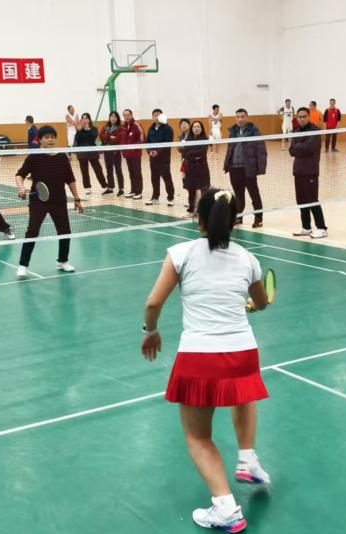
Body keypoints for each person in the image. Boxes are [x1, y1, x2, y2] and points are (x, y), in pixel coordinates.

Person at [140, 188, 271, 533]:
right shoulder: (249, 259)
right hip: (243, 353)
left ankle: (226, 508)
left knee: (199, 437)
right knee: (243, 396)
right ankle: (248, 458)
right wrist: (251, 305)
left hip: (199, 357)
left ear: (198, 218)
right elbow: (260, 303)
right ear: (234, 221)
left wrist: (151, 332)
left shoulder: (180, 253)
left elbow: (153, 304)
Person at [14, 125, 85, 277]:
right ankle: (23, 265)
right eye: (46, 137)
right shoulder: (34, 157)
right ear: (40, 140)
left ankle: (63, 261)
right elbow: (19, 175)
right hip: (38, 200)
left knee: (65, 232)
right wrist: (21, 187)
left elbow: (70, 179)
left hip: (59, 200)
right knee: (32, 231)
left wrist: (77, 198)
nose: (50, 140)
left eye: (52, 137)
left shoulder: (62, 157)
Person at [223, 109, 267, 228]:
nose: (240, 119)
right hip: (234, 168)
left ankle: (258, 218)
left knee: (254, 194)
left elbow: (261, 150)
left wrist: (260, 168)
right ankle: (238, 217)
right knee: (238, 195)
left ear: (247, 117)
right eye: (237, 117)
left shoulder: (254, 132)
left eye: (242, 117)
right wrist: (227, 164)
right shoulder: (233, 131)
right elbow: (230, 149)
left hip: (248, 169)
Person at [289, 107, 328, 239]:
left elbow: (309, 148)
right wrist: (300, 147)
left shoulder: (314, 131)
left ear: (309, 117)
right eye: (299, 117)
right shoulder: (296, 131)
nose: (302, 119)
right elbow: (291, 150)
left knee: (312, 200)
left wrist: (298, 147)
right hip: (298, 171)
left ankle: (322, 228)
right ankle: (306, 227)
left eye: (304, 116)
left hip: (310, 171)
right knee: (301, 200)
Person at [146, 109, 175, 206]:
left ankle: (170, 197)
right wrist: (150, 151)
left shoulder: (168, 128)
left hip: (164, 159)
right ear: (152, 117)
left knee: (167, 178)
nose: (157, 117)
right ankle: (155, 197)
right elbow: (147, 142)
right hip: (153, 158)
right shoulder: (151, 128)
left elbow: (168, 143)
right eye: (155, 115)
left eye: (158, 115)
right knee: (154, 178)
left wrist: (158, 152)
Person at [74, 113, 107, 194]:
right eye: (83, 118)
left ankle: (104, 186)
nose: (85, 120)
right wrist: (79, 130)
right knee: (84, 171)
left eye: (86, 118)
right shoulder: (79, 130)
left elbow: (93, 137)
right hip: (82, 154)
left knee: (98, 169)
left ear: (89, 119)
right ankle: (87, 187)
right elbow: (77, 140)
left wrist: (87, 129)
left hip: (92, 153)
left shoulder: (94, 129)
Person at [182, 121, 211, 214]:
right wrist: (193, 155)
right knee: (191, 189)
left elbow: (202, 153)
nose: (196, 128)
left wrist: (190, 153)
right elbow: (184, 153)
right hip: (190, 168)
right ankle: (191, 209)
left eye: (198, 127)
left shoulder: (205, 140)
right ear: (192, 129)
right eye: (194, 127)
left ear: (201, 129)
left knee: (204, 189)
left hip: (202, 168)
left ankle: (203, 210)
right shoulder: (188, 140)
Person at [99, 111, 125, 196]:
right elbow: (101, 136)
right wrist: (110, 137)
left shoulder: (120, 128)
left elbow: (119, 139)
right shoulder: (105, 127)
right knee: (109, 170)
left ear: (117, 118)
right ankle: (110, 187)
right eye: (111, 116)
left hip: (115, 152)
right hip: (107, 152)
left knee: (118, 170)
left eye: (114, 116)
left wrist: (107, 138)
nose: (113, 118)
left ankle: (121, 188)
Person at [121, 109, 145, 199]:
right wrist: (124, 151)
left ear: (131, 115)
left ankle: (139, 192)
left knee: (137, 172)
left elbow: (142, 139)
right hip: (127, 155)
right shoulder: (123, 127)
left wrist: (134, 148)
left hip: (135, 154)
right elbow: (122, 140)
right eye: (125, 115)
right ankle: (133, 190)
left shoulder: (136, 125)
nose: (126, 117)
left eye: (128, 115)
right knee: (131, 173)